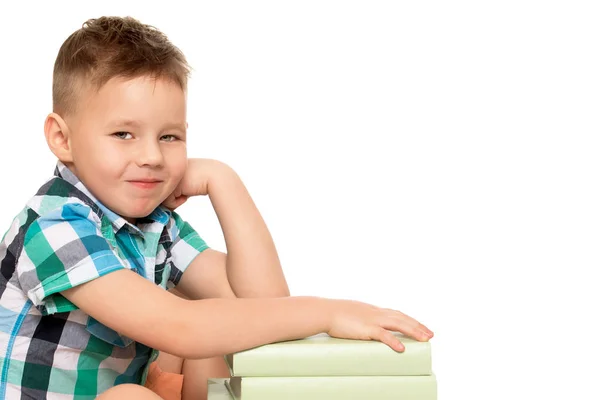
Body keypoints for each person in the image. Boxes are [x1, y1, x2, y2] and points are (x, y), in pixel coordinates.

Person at [0, 16, 433, 400]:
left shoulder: (154, 225)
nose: (152, 156)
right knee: (139, 386)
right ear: (62, 138)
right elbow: (179, 327)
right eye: (123, 134)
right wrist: (329, 311)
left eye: (169, 137)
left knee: (226, 335)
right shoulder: (54, 226)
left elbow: (263, 303)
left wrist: (223, 180)